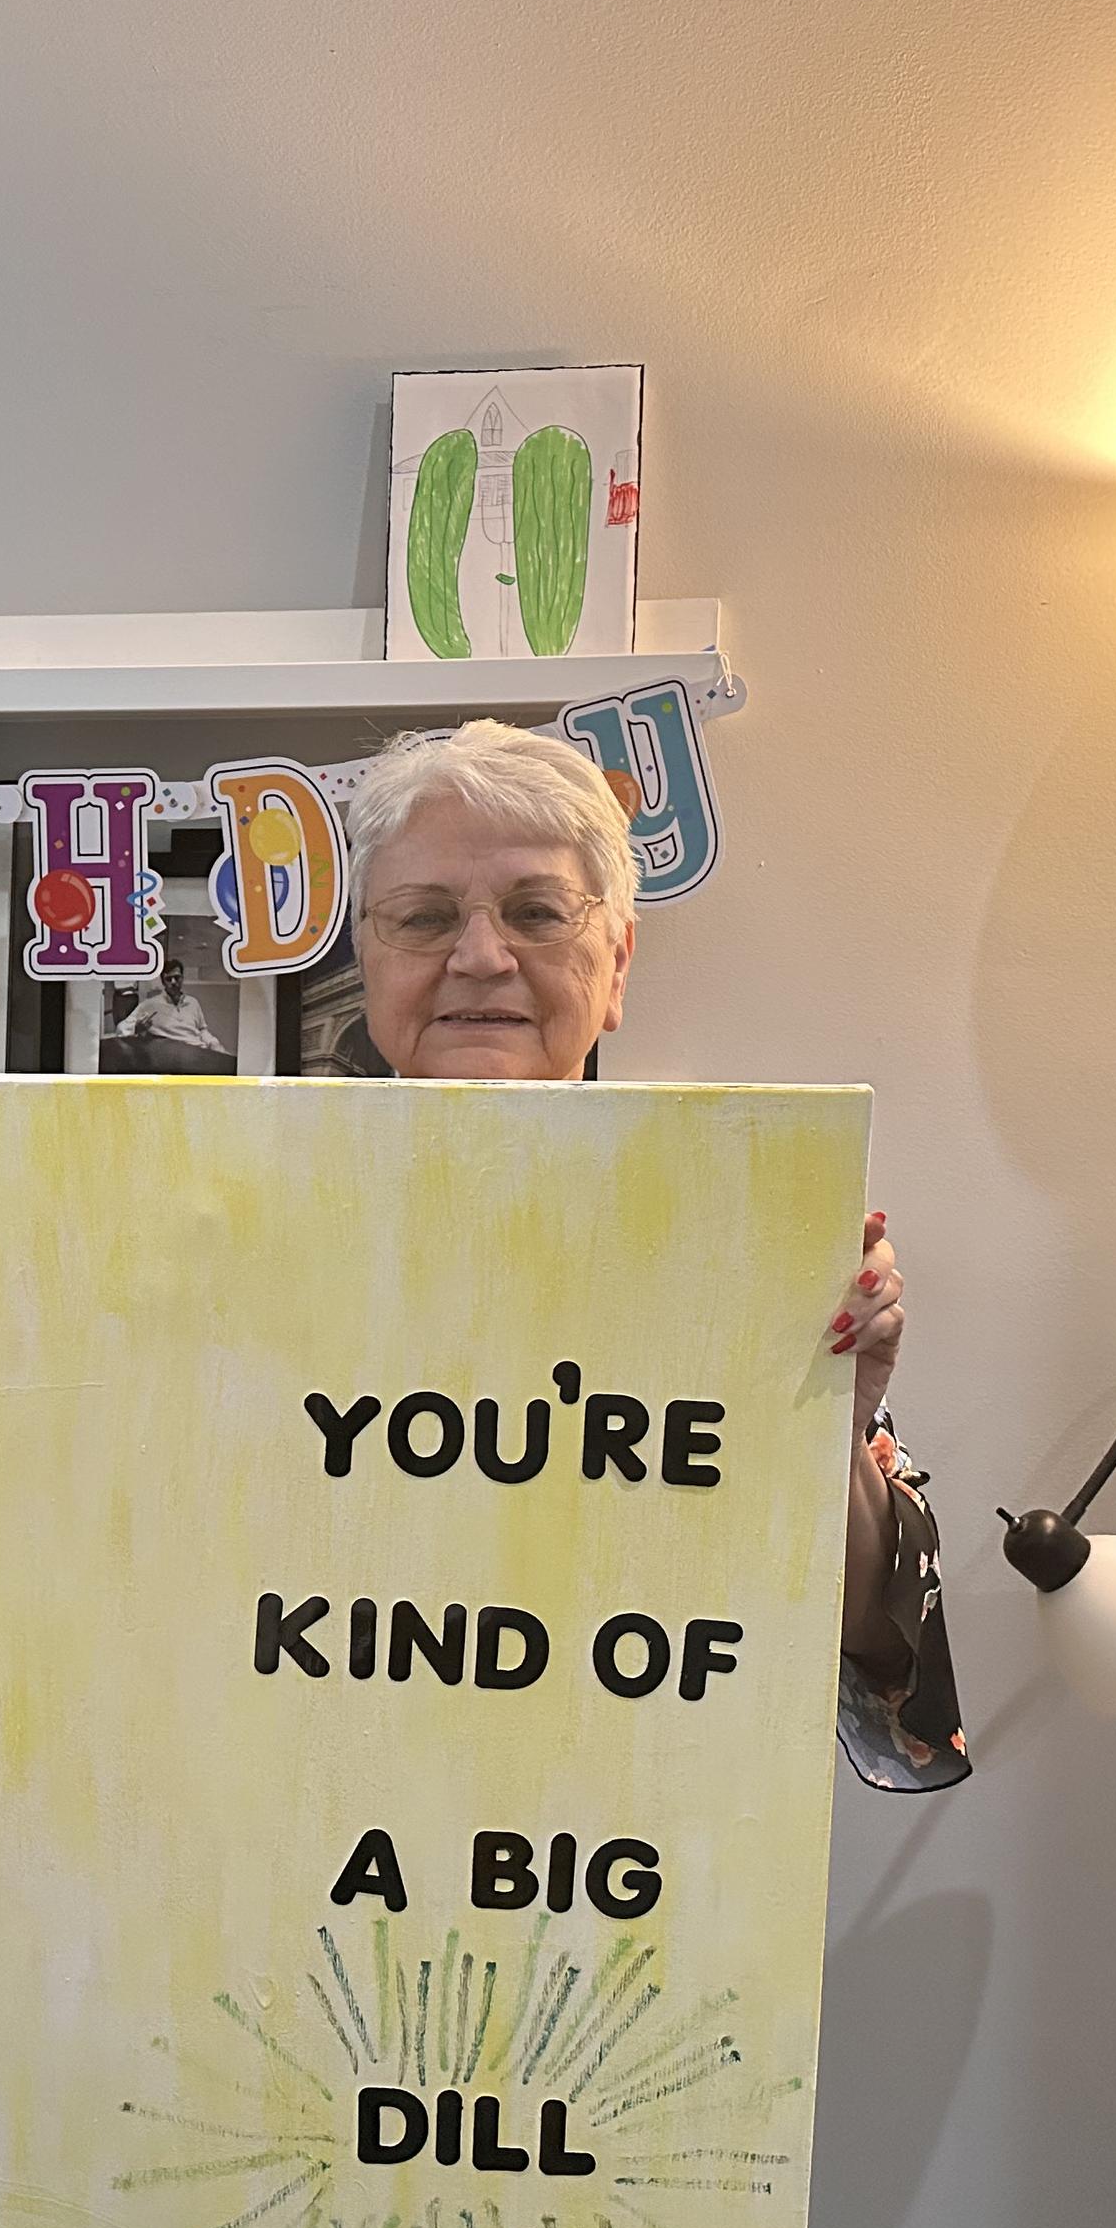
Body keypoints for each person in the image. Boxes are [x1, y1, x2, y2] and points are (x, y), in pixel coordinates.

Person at [343, 718, 968, 1790]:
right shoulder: (223, 1223)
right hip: (298, 1848)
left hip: (620, 1852)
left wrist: (823, 1422)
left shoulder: (729, 1225)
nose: (480, 954)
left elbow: (878, 1667)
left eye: (536, 912)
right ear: (370, 956)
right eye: (425, 916)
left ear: (617, 961)